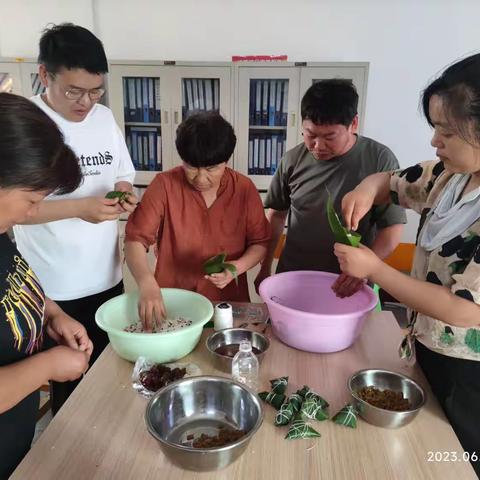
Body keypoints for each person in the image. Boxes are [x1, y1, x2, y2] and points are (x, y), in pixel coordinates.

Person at [335, 53, 480, 475]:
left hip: (468, 373)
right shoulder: (448, 176)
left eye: (447, 132)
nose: (436, 143)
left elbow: (465, 308)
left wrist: (375, 271)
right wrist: (367, 187)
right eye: (434, 129)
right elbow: (391, 181)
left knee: (457, 458)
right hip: (424, 346)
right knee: (420, 449)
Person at [13, 23, 137, 414]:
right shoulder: (26, 126)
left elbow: (122, 170)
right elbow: (14, 210)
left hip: (106, 274)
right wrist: (80, 208)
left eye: (95, 90)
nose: (86, 102)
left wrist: (123, 192)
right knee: (71, 386)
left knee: (110, 371)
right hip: (55, 288)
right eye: (74, 91)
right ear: (44, 74)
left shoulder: (103, 118)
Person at [0, 92, 93, 478]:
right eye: (32, 199)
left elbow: (13, 281)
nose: (35, 212)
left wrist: (51, 313)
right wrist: (48, 366)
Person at [255, 79, 406, 298]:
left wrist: (365, 270)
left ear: (353, 124)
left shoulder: (380, 160)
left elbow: (391, 231)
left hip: (347, 283)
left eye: (329, 137)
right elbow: (277, 216)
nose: (317, 146)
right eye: (310, 134)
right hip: (295, 277)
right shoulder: (292, 160)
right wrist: (265, 267)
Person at [125, 111, 271, 329]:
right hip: (173, 299)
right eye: (191, 167)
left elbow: (260, 243)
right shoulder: (164, 185)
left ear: (226, 160)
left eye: (212, 168)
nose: (201, 178)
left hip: (226, 303)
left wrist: (236, 268)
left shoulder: (244, 188)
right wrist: (147, 283)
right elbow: (134, 240)